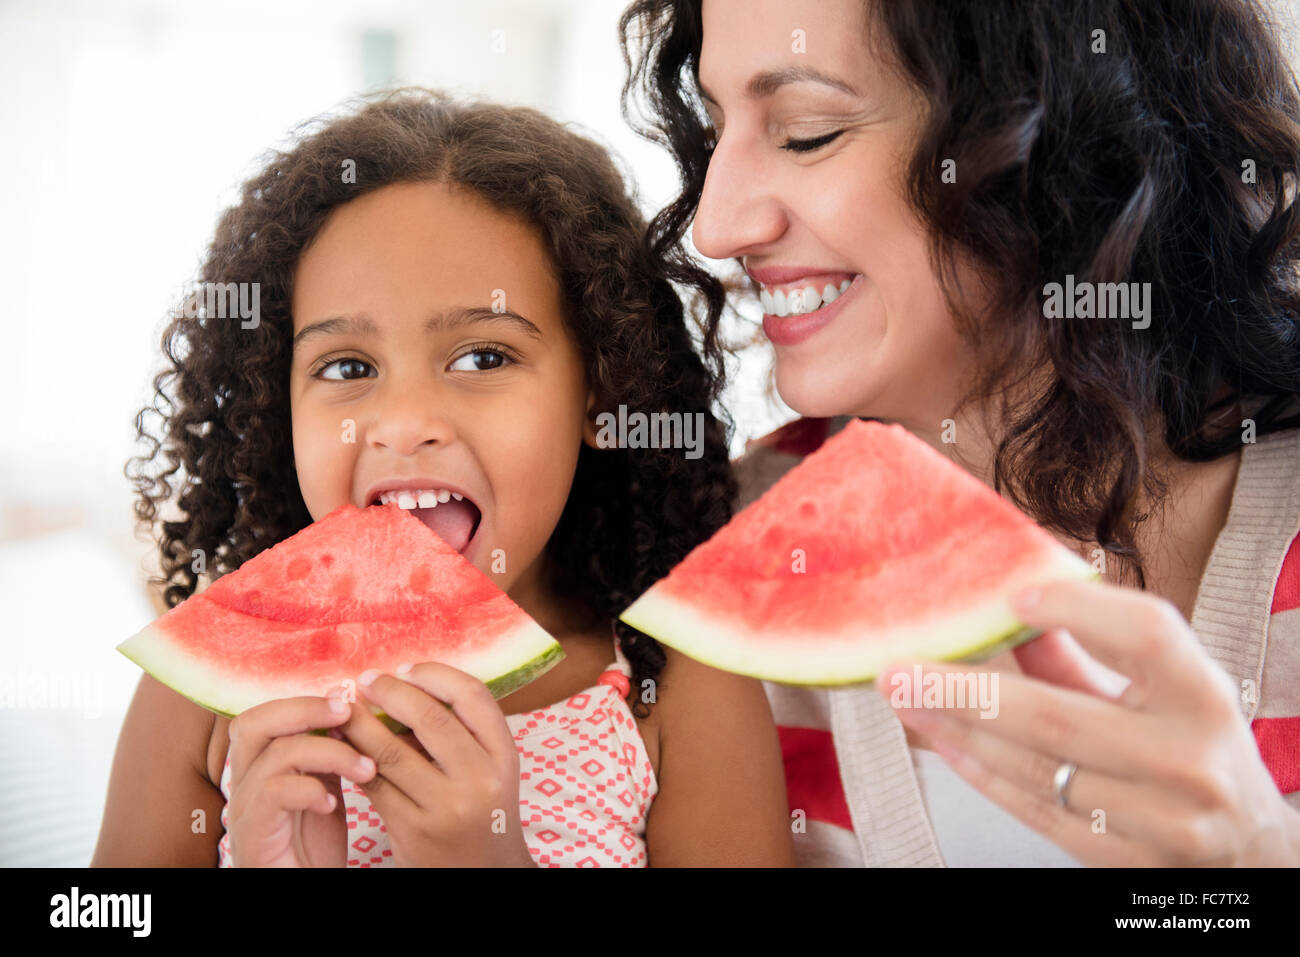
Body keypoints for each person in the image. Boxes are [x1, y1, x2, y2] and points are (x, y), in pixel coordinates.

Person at [621, 0, 1300, 865]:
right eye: (716, 128)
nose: (717, 227)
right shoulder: (708, 555)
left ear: (1056, 137)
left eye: (805, 131)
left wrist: (1257, 857)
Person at [92, 89, 793, 867]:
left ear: (604, 391)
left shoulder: (679, 695)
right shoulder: (201, 699)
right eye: (348, 366)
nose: (404, 420)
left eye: (483, 357)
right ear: (274, 406)